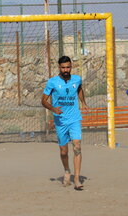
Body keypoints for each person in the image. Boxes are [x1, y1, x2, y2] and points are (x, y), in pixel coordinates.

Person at [41, 56, 89, 191]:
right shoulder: (52, 82)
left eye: (68, 67)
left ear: (71, 67)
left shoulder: (77, 79)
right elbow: (43, 100)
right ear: (59, 68)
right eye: (63, 67)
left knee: (77, 146)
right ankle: (67, 170)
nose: (66, 70)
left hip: (74, 119)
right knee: (64, 151)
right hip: (60, 121)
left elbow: (79, 89)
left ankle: (77, 178)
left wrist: (83, 103)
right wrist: (53, 108)